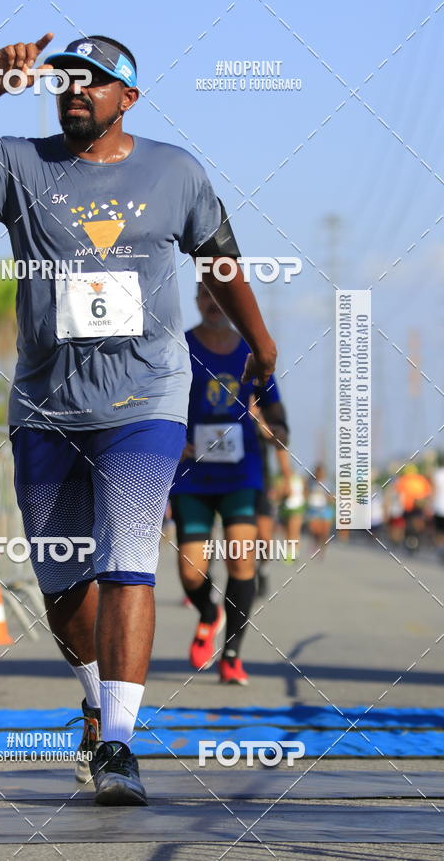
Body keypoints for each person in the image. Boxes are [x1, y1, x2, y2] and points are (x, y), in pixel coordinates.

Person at [0, 32, 276, 806]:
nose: (77, 90)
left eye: (95, 82)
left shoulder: (175, 171)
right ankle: (94, 707)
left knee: (126, 559)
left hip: (146, 401)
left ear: (127, 98)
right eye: (66, 79)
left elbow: (220, 259)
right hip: (46, 407)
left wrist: (261, 347)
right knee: (65, 588)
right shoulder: (17, 164)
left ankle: (122, 746)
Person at [170, 284, 287, 685]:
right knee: (191, 572)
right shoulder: (179, 346)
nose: (213, 304)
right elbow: (157, 397)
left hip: (241, 472)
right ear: (197, 300)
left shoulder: (250, 351)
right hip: (191, 474)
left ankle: (232, 655)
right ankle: (208, 612)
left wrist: (279, 429)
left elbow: (273, 403)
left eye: (221, 297)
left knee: (242, 559)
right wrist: (171, 438)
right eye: (204, 295)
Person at [248, 399, 293, 597]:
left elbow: (278, 443)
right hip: (234, 483)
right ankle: (245, 578)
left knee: (264, 538)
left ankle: (263, 571)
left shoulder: (262, 415)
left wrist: (287, 477)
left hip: (261, 483)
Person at [305, 463, 334, 551]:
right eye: (318, 472)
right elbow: (306, 493)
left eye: (321, 472)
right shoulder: (310, 482)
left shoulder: (328, 483)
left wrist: (329, 498)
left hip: (325, 509)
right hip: (313, 509)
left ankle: (323, 548)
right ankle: (316, 543)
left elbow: (332, 495)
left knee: (325, 532)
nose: (319, 474)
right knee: (315, 530)